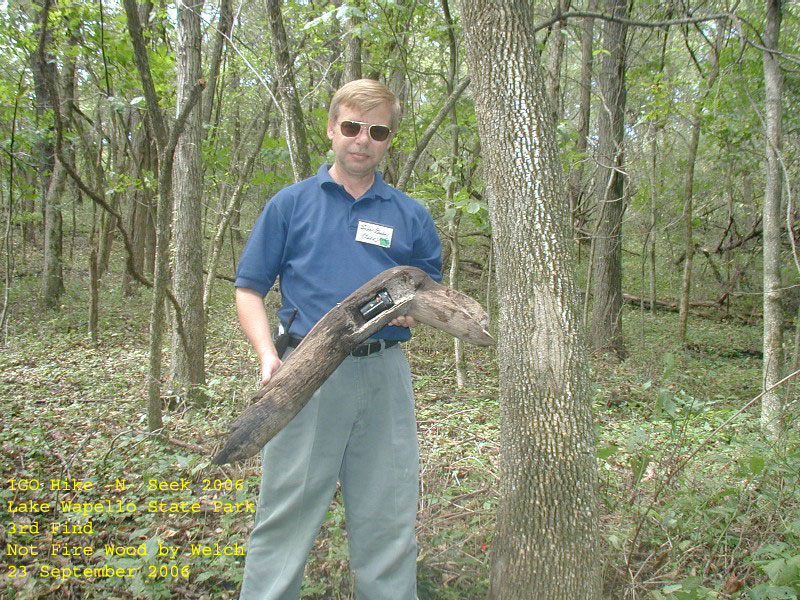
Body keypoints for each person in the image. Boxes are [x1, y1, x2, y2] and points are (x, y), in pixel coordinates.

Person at [234, 78, 442, 600]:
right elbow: (249, 288)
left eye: (377, 131)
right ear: (331, 129)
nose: (362, 140)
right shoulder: (290, 205)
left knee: (388, 515)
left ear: (389, 139)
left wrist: (416, 312)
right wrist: (268, 356)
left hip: (385, 374)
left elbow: (429, 292)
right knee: (286, 513)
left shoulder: (410, 215)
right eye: (351, 127)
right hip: (308, 372)